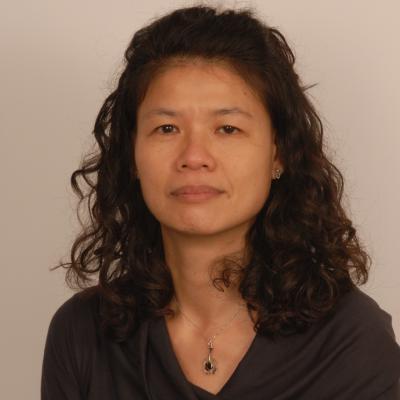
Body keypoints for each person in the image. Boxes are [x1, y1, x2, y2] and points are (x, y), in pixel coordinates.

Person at [41, 4, 400, 399]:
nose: (194, 156)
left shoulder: (352, 342)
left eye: (228, 128)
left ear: (279, 153)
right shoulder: (82, 332)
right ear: (131, 157)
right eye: (166, 128)